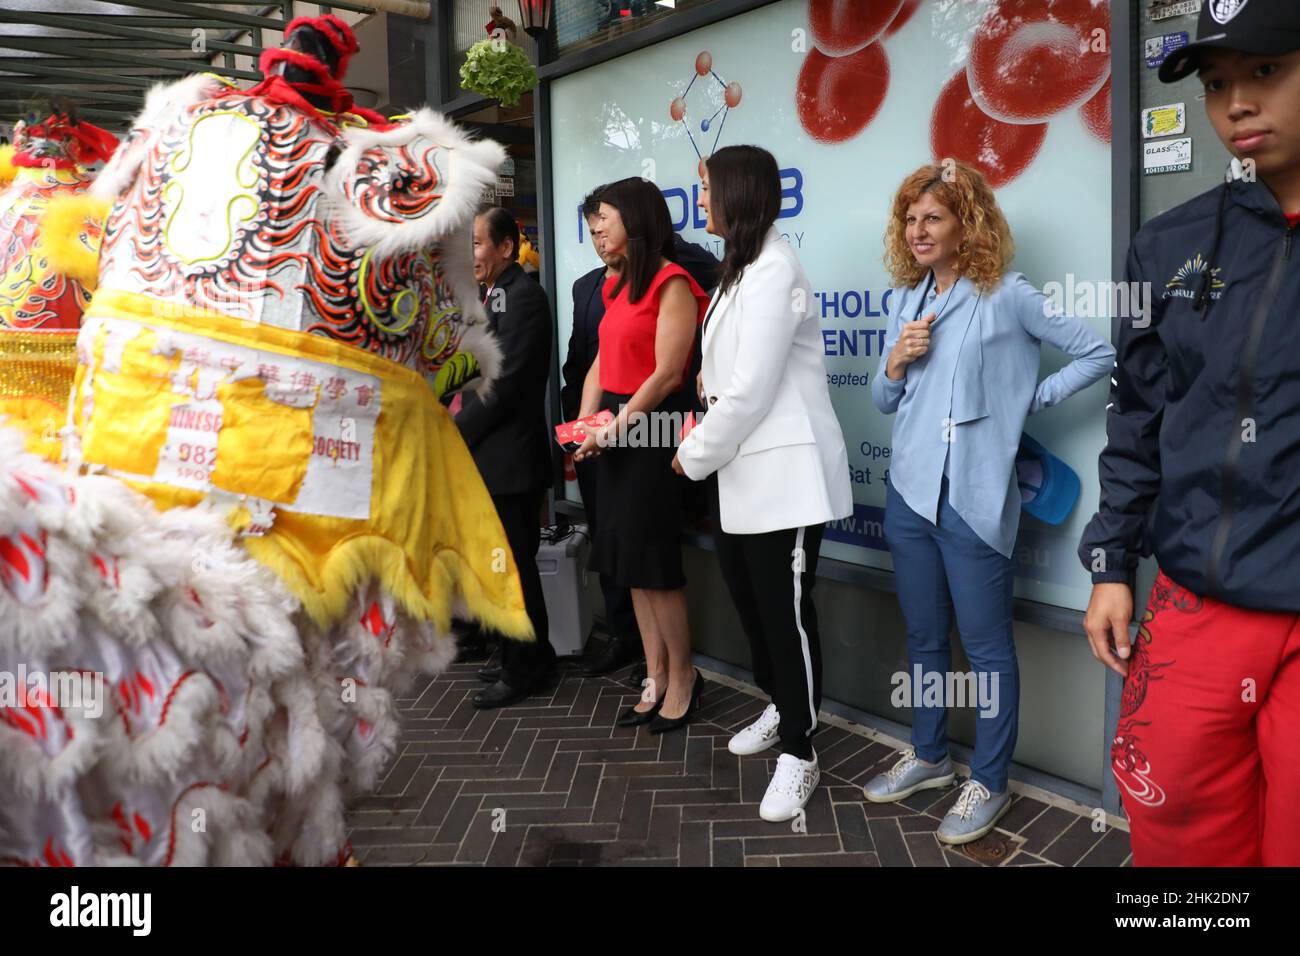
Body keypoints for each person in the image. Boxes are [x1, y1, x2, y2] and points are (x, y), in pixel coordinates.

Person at [1079, 2, 1300, 867]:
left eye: (1267, 71)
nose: (1236, 103)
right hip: (1199, 603)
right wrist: (1109, 561)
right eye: (1216, 84)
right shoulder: (1166, 246)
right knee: (1171, 832)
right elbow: (1137, 410)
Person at [864, 161, 1113, 844]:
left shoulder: (1007, 296)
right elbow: (887, 402)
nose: (918, 231)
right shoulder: (905, 301)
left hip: (972, 499)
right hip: (909, 493)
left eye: (932, 217)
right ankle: (930, 755)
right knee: (921, 636)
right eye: (910, 219)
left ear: (965, 222)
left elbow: (1097, 351)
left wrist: (1024, 402)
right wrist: (893, 363)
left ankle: (991, 781)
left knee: (986, 649)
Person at [671, 145, 853, 822]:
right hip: (741, 471)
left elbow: (750, 391)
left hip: (785, 478)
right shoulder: (740, 267)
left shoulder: (777, 268)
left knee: (787, 618)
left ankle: (802, 752)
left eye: (707, 188)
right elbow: (730, 374)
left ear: (736, 193)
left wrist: (690, 454)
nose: (700, 199)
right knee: (752, 604)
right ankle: (782, 705)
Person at [563, 186, 719, 677]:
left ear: (637, 218)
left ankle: (682, 679)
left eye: (604, 219)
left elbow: (668, 375)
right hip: (613, 434)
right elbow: (598, 365)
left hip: (651, 436)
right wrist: (584, 426)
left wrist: (609, 430)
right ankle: (654, 675)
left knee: (654, 569)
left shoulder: (673, 281)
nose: (596, 230)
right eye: (592, 224)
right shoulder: (615, 286)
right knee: (628, 566)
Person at [457, 207, 556, 709]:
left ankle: (527, 667)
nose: (469, 252)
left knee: (513, 566)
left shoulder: (524, 299)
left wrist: (452, 434)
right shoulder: (487, 297)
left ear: (504, 246)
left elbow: (504, 383)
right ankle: (518, 653)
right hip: (487, 460)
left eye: (476, 243)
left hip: (510, 462)